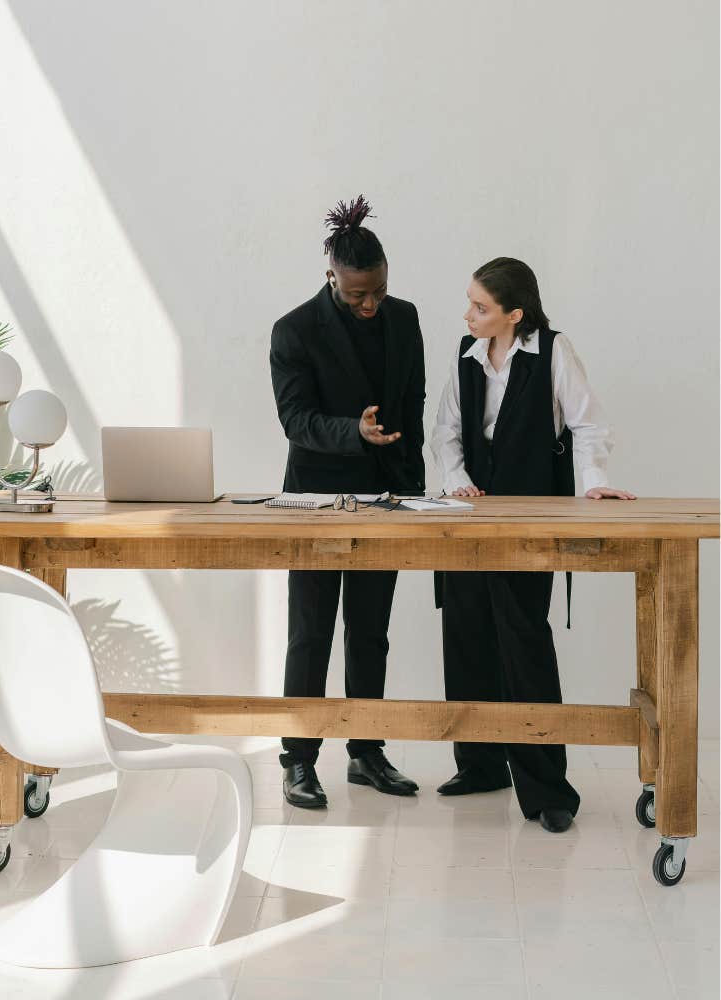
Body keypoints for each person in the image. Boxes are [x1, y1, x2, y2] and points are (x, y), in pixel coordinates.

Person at [430, 256, 635, 832]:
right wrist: (454, 480)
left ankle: (548, 790)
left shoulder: (553, 351)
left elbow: (588, 424)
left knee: (522, 637)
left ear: (514, 314)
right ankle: (479, 765)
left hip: (529, 513)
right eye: (470, 302)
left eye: (480, 306)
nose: (468, 314)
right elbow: (445, 432)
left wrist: (593, 484)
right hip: (468, 516)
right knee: (466, 629)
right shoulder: (465, 356)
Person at [269, 196, 426, 808]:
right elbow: (295, 420)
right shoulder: (294, 330)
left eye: (379, 291)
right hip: (315, 495)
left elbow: (410, 405)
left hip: (388, 495)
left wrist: (413, 490)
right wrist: (351, 432)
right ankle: (299, 759)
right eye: (358, 293)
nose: (370, 304)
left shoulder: (405, 318)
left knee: (371, 631)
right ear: (331, 275)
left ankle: (366, 751)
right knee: (310, 633)